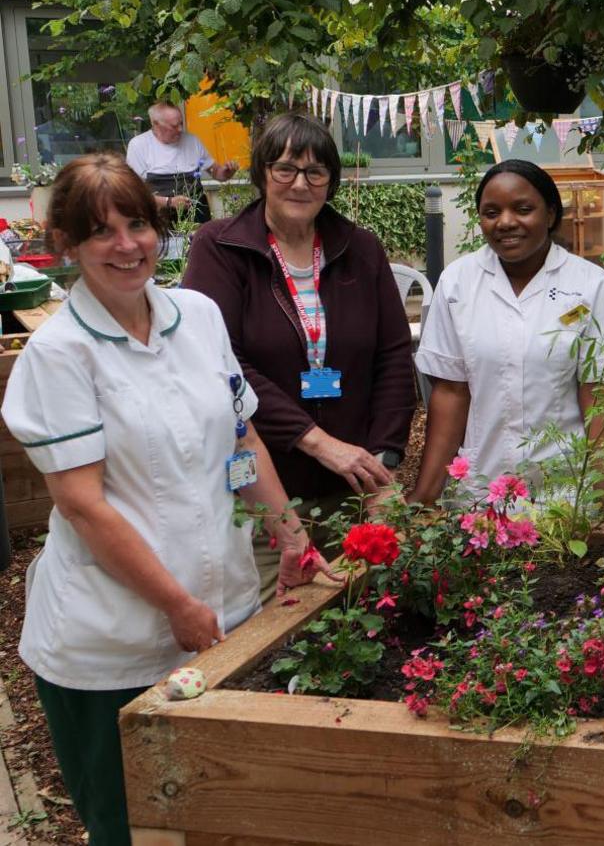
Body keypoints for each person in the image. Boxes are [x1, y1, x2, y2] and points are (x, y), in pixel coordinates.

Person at [0, 154, 332, 846]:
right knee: (129, 825)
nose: (126, 246)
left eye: (137, 225)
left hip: (224, 613)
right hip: (112, 643)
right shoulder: (59, 356)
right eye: (101, 232)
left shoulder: (198, 316)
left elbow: (241, 440)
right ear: (67, 245)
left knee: (221, 813)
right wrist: (175, 603)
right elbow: (86, 506)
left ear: (161, 230)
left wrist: (291, 536)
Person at [184, 114, 417, 599]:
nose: (300, 183)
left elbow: (394, 358)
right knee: (279, 622)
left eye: (315, 172)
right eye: (285, 168)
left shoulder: (361, 249)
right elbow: (223, 364)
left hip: (353, 486)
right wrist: (315, 440)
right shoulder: (222, 248)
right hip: (264, 486)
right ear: (262, 173)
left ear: (330, 181)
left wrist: (382, 461)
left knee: (363, 618)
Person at [409, 159, 604, 506]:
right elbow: (451, 392)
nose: (506, 222)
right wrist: (423, 498)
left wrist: (602, 495)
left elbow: (600, 393)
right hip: (479, 492)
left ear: (551, 214)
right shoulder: (458, 283)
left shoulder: (591, 286)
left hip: (565, 495)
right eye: (491, 212)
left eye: (523, 209)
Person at [124, 101, 239, 226]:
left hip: (197, 217)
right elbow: (134, 192)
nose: (180, 129)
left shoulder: (192, 141)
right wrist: (169, 202)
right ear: (155, 124)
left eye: (181, 123)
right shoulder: (139, 146)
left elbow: (216, 173)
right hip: (159, 220)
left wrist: (226, 172)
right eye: (174, 126)